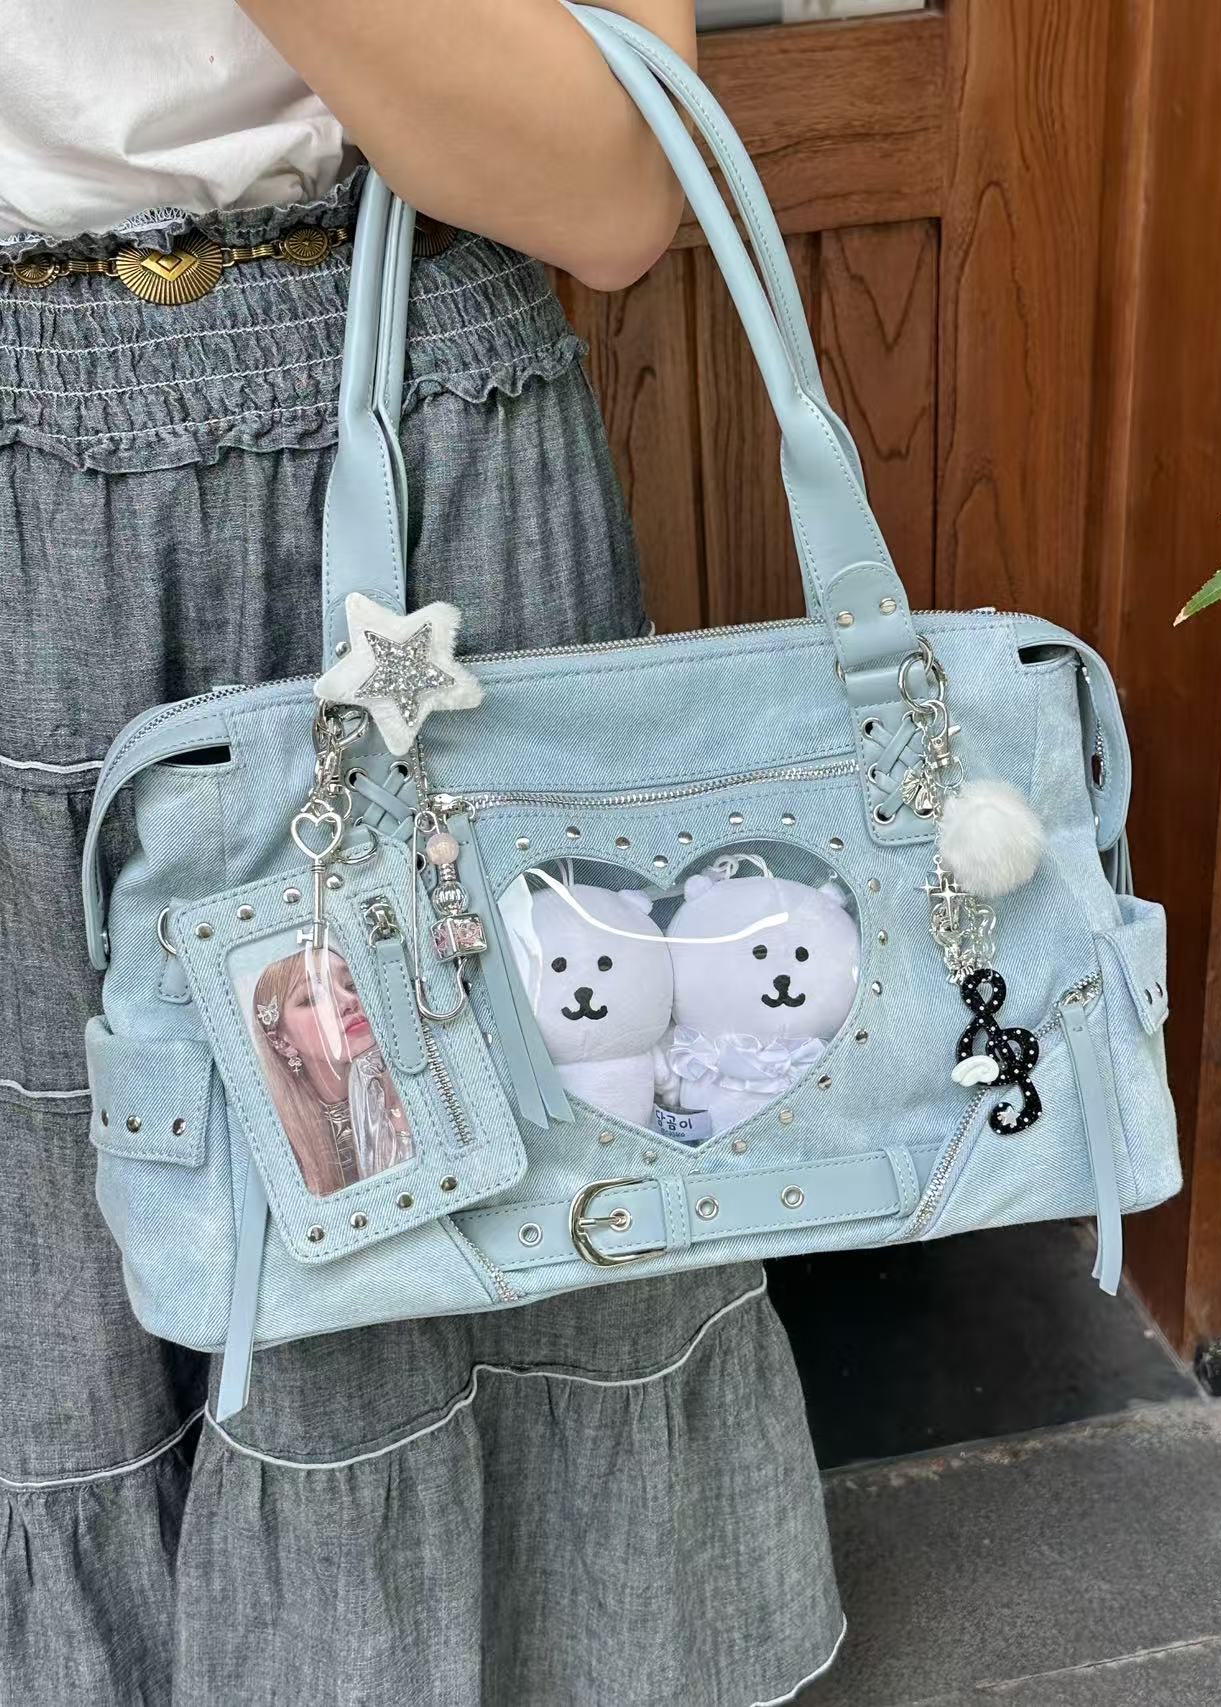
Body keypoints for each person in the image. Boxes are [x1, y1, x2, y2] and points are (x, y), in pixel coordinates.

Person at [0, 4, 845, 1702]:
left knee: (485, 1135)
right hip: (35, 481)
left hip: (418, 423)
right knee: (61, 1209)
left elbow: (614, 191)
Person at [251, 945, 414, 1196]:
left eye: (351, 985)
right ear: (280, 1041)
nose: (349, 1001)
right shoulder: (277, 1144)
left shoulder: (411, 1093)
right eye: (313, 998)